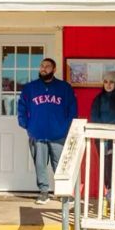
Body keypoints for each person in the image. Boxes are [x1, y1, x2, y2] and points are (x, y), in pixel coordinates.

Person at [17, 58, 77, 204]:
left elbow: (72, 109)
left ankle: (64, 193)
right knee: (40, 165)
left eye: (47, 66)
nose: (44, 69)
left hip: (59, 134)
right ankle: (44, 192)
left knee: (60, 164)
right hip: (37, 133)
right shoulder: (30, 88)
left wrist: (67, 126)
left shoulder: (64, 88)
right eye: (42, 66)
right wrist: (26, 124)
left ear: (54, 69)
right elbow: (22, 107)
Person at [90, 71, 115, 205]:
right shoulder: (98, 98)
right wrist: (102, 129)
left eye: (111, 82)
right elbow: (94, 116)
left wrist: (108, 128)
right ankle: (107, 188)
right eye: (105, 81)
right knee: (104, 161)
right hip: (100, 136)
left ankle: (110, 189)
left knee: (111, 161)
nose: (108, 84)